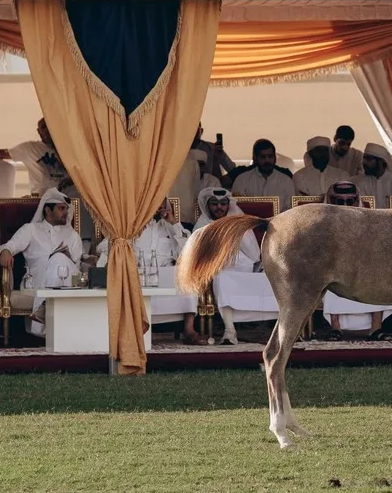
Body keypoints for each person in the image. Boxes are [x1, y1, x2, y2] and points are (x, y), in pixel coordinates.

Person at [95, 200, 205, 344]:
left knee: (188, 275)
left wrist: (173, 223)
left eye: (162, 205)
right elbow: (103, 247)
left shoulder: (171, 228)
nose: (159, 209)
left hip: (166, 272)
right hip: (139, 273)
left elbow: (187, 251)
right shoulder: (130, 227)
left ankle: (189, 330)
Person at [191, 187, 278, 345]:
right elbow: (197, 255)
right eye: (214, 203)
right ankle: (230, 331)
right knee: (223, 280)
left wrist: (235, 231)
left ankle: (282, 330)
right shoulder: (202, 225)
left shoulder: (237, 220)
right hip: (218, 270)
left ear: (228, 205)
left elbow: (253, 253)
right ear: (208, 205)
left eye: (223, 203)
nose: (219, 207)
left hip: (243, 268)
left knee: (272, 278)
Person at [0, 188, 82, 336]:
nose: (66, 213)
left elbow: (77, 266)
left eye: (66, 209)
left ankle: (44, 309)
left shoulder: (73, 235)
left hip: (68, 281)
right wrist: (5, 252)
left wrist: (64, 258)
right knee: (56, 258)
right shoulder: (30, 230)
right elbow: (9, 246)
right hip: (37, 280)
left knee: (58, 259)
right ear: (47, 210)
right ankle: (48, 312)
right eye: (61, 208)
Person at [319, 182, 392, 338]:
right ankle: (335, 328)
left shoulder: (368, 219)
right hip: (334, 268)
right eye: (340, 201)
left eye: (350, 201)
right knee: (331, 279)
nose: (346, 205)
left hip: (364, 268)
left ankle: (376, 328)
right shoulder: (322, 220)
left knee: (379, 275)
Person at [0, 118, 70, 195]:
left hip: (69, 195)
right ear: (39, 132)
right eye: (43, 127)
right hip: (44, 197)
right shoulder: (30, 148)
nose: (47, 130)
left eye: (49, 126)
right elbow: (2, 153)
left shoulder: (69, 149)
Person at [229, 139, 296, 212]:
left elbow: (290, 210)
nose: (267, 161)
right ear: (255, 158)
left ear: (275, 158)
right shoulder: (242, 180)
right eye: (263, 157)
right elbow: (236, 208)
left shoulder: (286, 181)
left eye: (270, 156)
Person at [352, 143, 392, 209]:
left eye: (369, 159)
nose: (364, 162)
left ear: (380, 162)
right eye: (364, 158)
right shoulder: (358, 182)